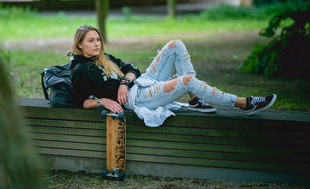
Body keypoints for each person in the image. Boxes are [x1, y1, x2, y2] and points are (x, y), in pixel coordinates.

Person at [70, 25, 277, 127]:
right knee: (187, 81)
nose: (97, 44)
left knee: (175, 44)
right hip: (137, 98)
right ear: (80, 44)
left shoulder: (104, 57)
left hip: (140, 84)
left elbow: (133, 68)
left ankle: (195, 99)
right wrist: (104, 100)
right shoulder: (80, 70)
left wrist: (125, 81)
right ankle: (243, 103)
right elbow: (81, 101)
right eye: (91, 40)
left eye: (98, 39)